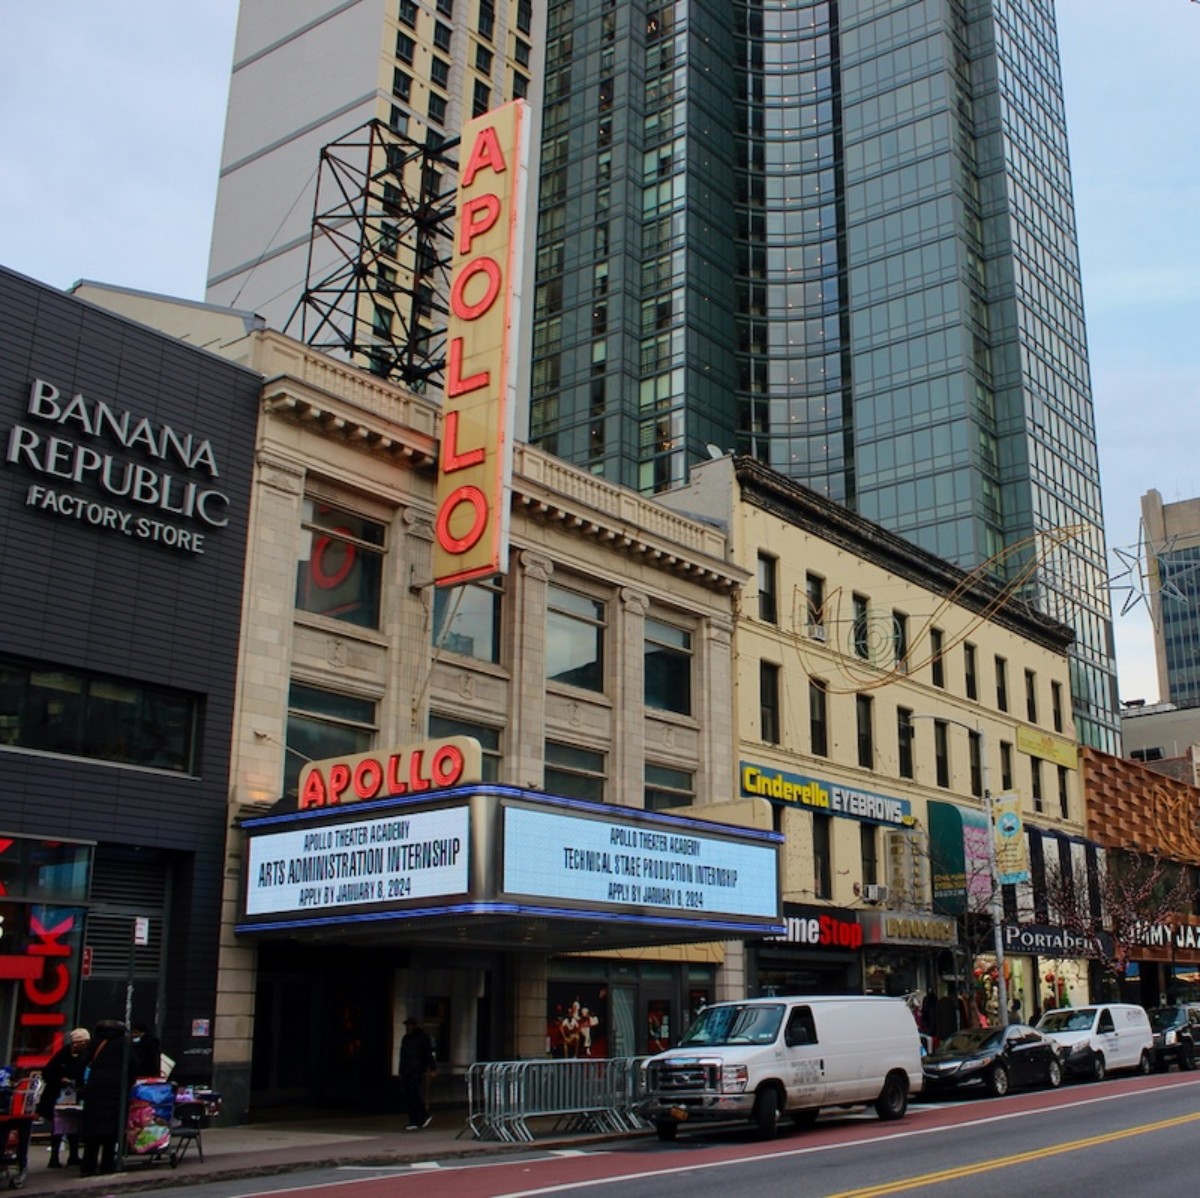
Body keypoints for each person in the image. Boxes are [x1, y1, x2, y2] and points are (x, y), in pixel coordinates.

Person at [78, 1019, 131, 1176]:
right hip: (115, 1090)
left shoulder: (95, 1042)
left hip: (95, 1089)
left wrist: (81, 1084)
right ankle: (107, 1165)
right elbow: (133, 1063)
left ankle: (88, 1167)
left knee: (92, 1133)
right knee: (111, 1132)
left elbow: (81, 1063)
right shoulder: (123, 1043)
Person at [36, 1027, 90, 1168]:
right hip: (57, 1096)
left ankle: (73, 1155)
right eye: (83, 1043)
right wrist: (61, 1079)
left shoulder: (84, 1056)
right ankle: (54, 1157)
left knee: (73, 1126)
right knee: (58, 1127)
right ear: (76, 1043)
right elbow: (47, 1073)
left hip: (74, 1095)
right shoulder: (62, 1056)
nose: (85, 1046)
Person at [398, 1016, 436, 1131]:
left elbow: (428, 1053)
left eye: (409, 1025)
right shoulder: (406, 1038)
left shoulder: (423, 1038)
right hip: (407, 1069)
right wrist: (400, 1070)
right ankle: (414, 1119)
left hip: (417, 1069)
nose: (408, 1028)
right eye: (407, 1026)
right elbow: (402, 1055)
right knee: (408, 1094)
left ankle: (421, 1116)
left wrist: (432, 1068)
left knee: (413, 1092)